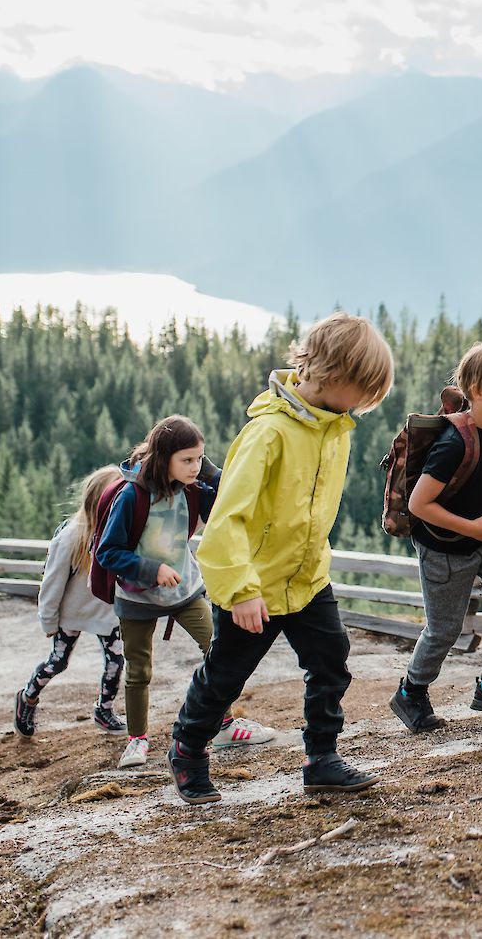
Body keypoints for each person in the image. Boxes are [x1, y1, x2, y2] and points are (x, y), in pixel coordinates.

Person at [168, 312, 396, 804]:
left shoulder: (335, 428)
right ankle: (188, 749)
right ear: (332, 373)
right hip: (254, 587)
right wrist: (242, 590)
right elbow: (225, 520)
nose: (362, 404)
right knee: (226, 675)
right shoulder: (268, 433)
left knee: (330, 662)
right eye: (361, 390)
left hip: (309, 579)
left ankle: (321, 759)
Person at [95, 415, 274, 768]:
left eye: (199, 459)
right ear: (164, 459)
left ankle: (223, 726)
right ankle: (137, 741)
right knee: (138, 670)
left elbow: (230, 499)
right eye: (187, 460)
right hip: (136, 596)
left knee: (220, 650)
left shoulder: (193, 489)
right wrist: (152, 569)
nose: (194, 467)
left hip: (185, 590)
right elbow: (107, 551)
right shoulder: (131, 496)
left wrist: (209, 471)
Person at [391, 343, 482, 733]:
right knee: (444, 630)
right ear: (476, 390)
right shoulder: (454, 442)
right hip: (444, 547)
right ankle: (412, 692)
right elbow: (421, 504)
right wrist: (471, 527)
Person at [13, 465, 127, 737]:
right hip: (71, 613)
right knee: (58, 661)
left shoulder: (120, 530)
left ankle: (104, 709)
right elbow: (51, 582)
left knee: (116, 661)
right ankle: (27, 698)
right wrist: (48, 620)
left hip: (106, 612)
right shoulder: (71, 536)